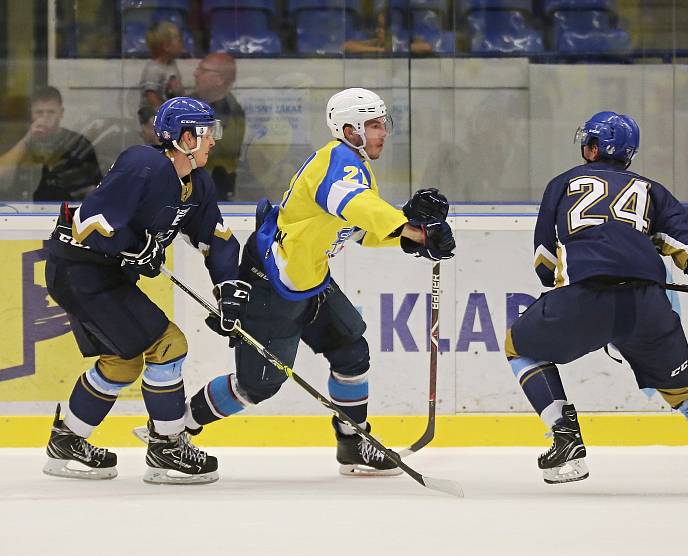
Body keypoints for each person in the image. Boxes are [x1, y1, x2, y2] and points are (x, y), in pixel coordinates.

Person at [178, 88, 455, 475]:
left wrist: (416, 233)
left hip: (310, 278)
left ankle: (353, 443)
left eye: (382, 124)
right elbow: (355, 205)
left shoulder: (354, 164)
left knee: (351, 350)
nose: (384, 133)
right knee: (256, 386)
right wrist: (409, 228)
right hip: (272, 283)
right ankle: (175, 431)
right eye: (374, 125)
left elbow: (357, 228)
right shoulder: (338, 162)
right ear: (349, 129)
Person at [506, 111, 688, 487]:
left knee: (518, 346)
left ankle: (566, 438)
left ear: (592, 148)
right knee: (687, 391)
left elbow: (544, 263)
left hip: (585, 298)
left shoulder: (561, 183)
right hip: (648, 304)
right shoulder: (654, 191)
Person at [42, 97, 250, 485]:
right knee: (169, 344)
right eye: (207, 134)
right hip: (81, 272)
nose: (213, 142)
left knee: (124, 362)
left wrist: (227, 288)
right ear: (186, 137)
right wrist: (133, 247)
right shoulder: (144, 164)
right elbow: (89, 221)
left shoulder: (198, 181)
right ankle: (167, 445)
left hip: (101, 277)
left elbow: (216, 238)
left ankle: (67, 440)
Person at [0, 86, 101, 201]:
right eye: (39, 112)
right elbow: (2, 179)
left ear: (61, 113)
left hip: (68, 212)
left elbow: (95, 190)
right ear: (31, 114)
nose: (45, 118)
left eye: (51, 112)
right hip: (23, 212)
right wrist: (27, 139)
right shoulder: (20, 143)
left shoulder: (78, 144)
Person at [192, 52, 245, 201]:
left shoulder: (232, 113)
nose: (195, 74)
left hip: (212, 194)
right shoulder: (189, 102)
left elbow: (218, 150)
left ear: (219, 79)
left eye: (202, 71)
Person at [139, 21, 185, 110]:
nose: (182, 44)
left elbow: (178, 88)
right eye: (179, 40)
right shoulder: (153, 69)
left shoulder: (172, 64)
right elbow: (151, 95)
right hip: (152, 114)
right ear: (166, 46)